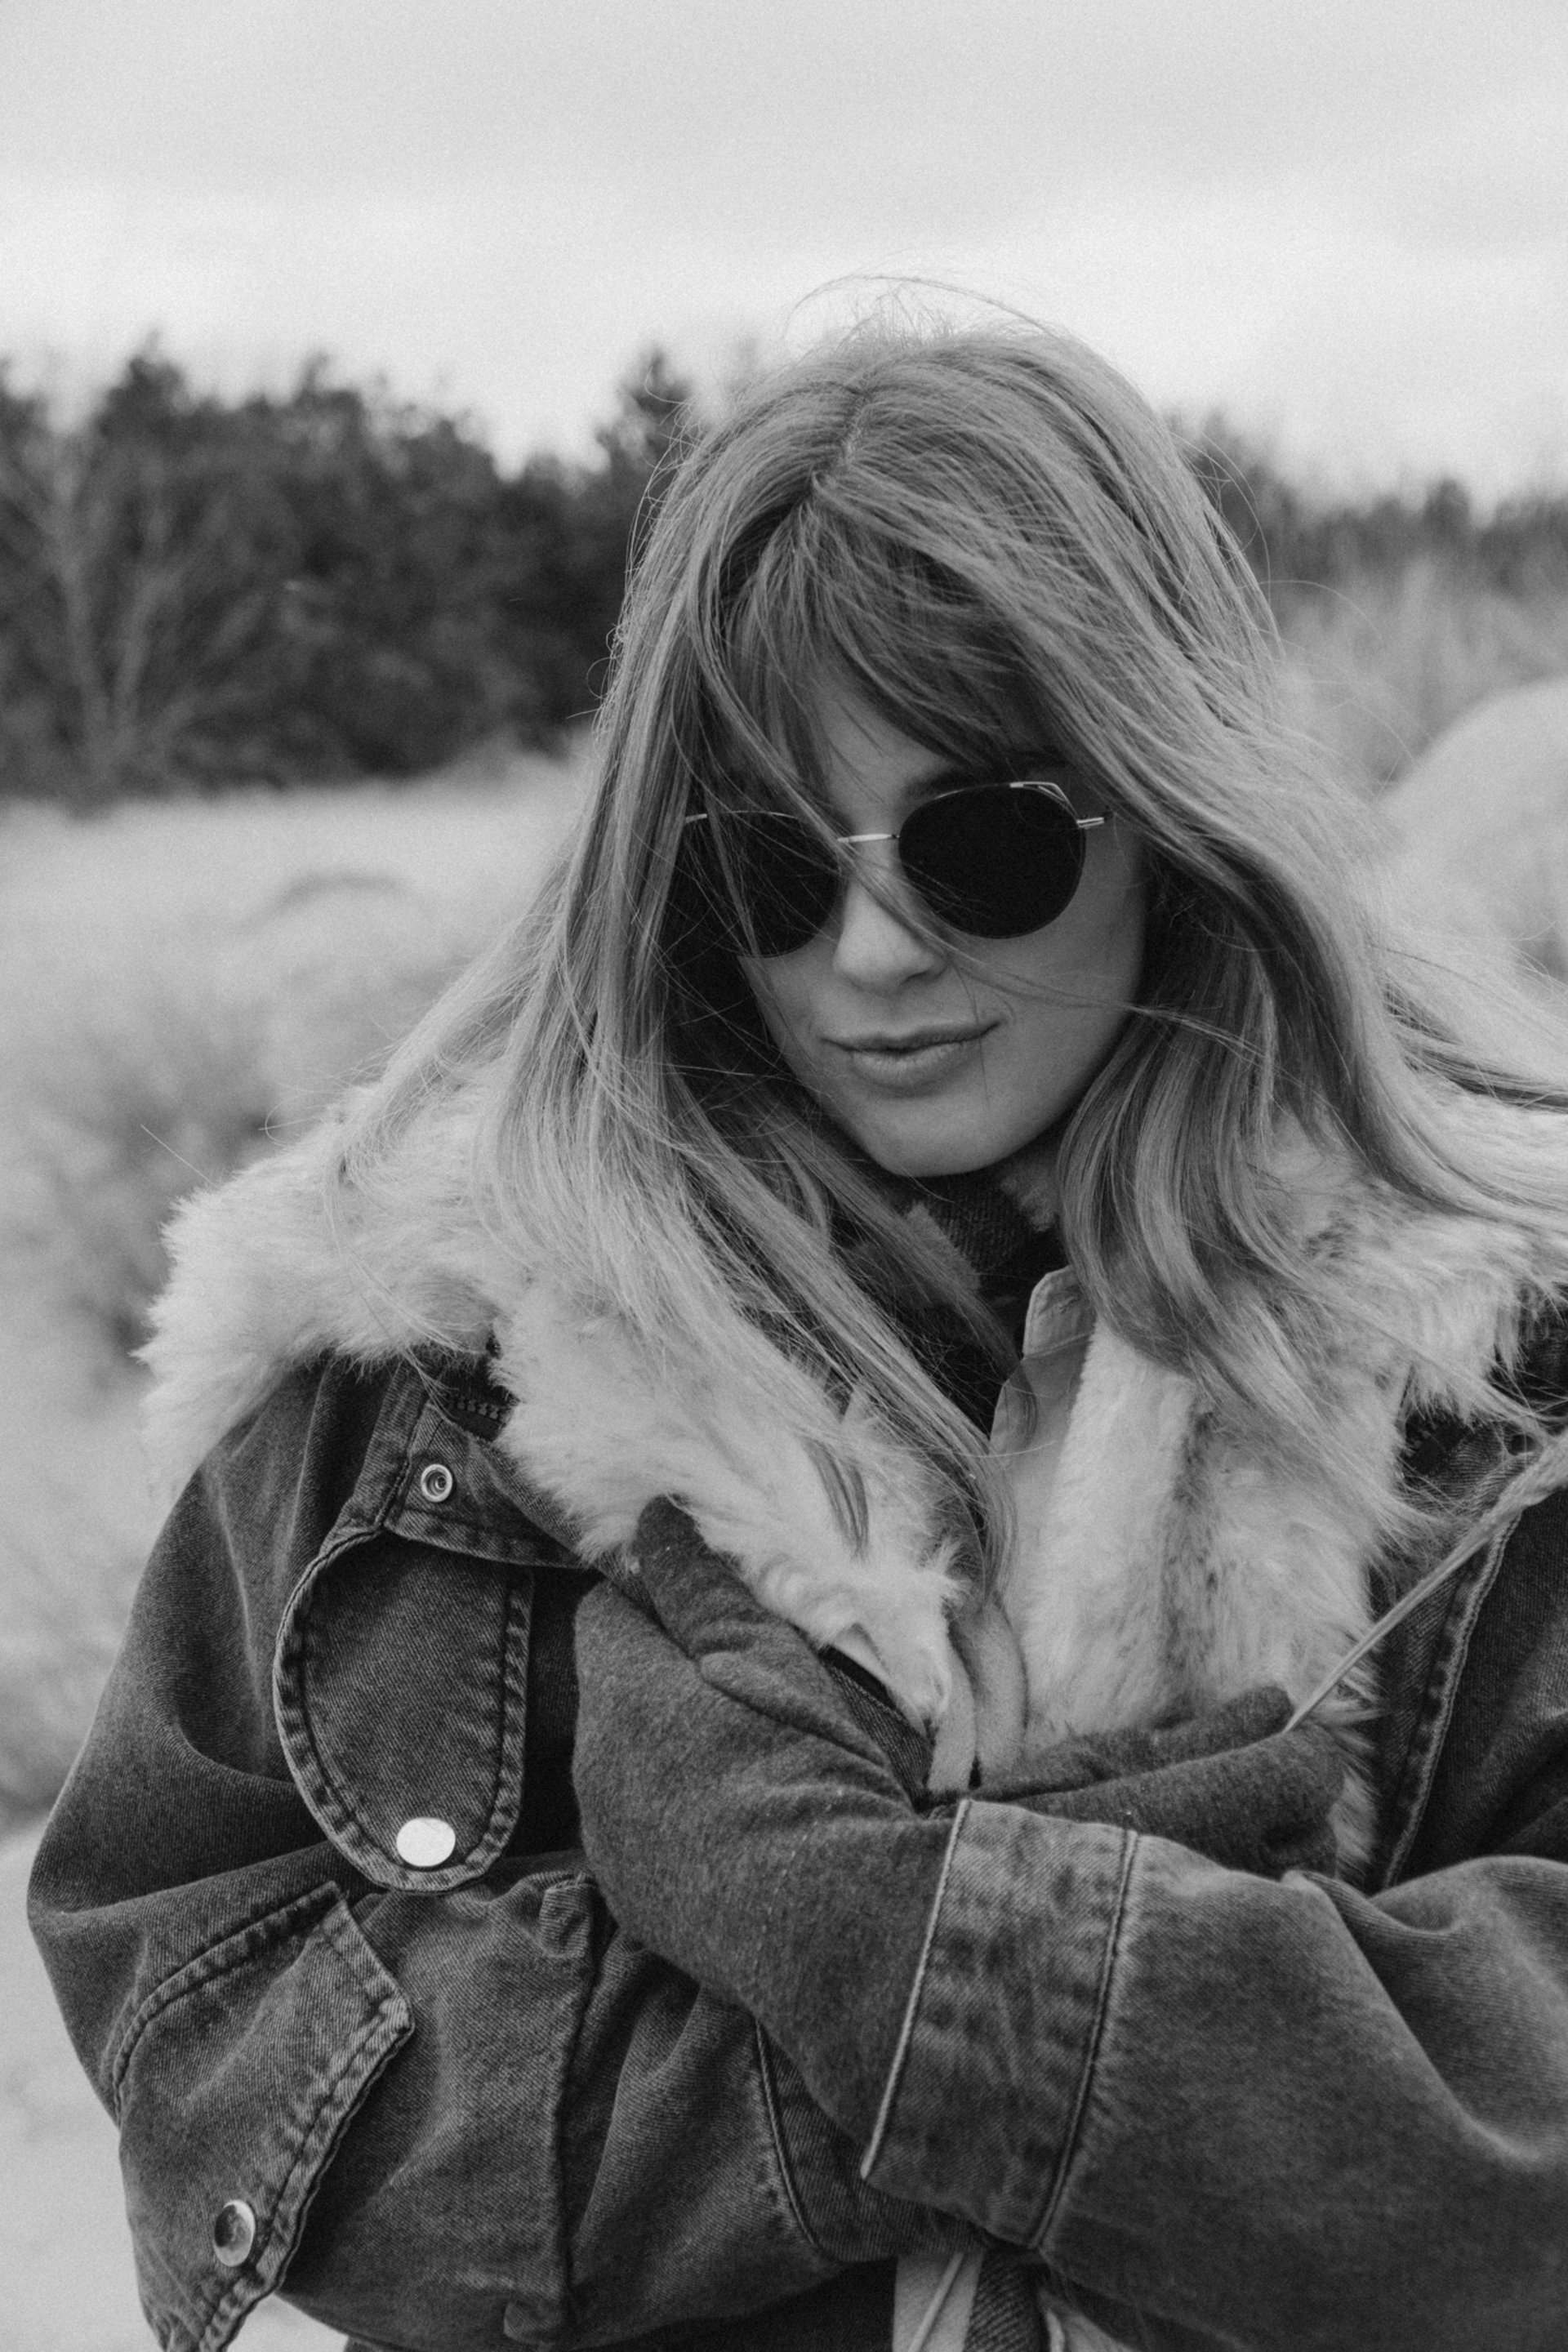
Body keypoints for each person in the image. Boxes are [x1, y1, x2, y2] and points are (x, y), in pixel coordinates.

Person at [29, 315, 1568, 2352]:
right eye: (764, 859)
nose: (868, 956)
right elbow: (213, 2018)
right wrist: (1009, 1974)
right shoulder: (437, 1342)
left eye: (988, 841)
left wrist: (824, 1916)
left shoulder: (1486, 1347)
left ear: (1170, 813)